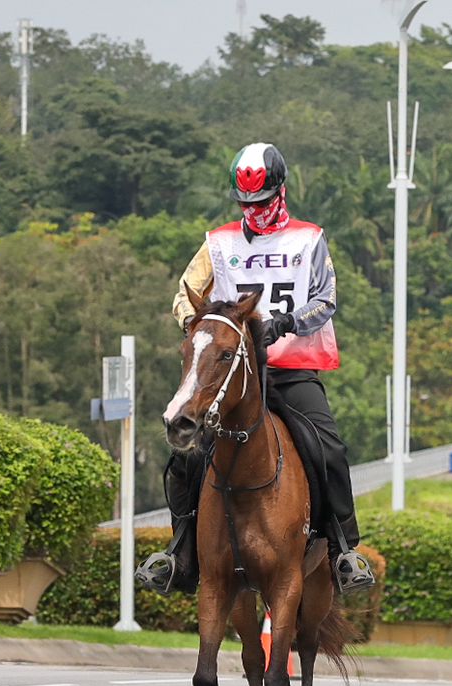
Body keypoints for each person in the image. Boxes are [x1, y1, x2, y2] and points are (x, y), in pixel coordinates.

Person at [136, 142, 375, 596]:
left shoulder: (310, 240)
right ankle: (179, 556)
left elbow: (326, 299)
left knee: (329, 449)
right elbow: (183, 295)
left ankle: (345, 550)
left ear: (280, 192)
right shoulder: (218, 243)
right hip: (229, 373)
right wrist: (206, 331)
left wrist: (285, 323)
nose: (254, 210)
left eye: (262, 202)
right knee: (185, 457)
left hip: (291, 368)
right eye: (245, 203)